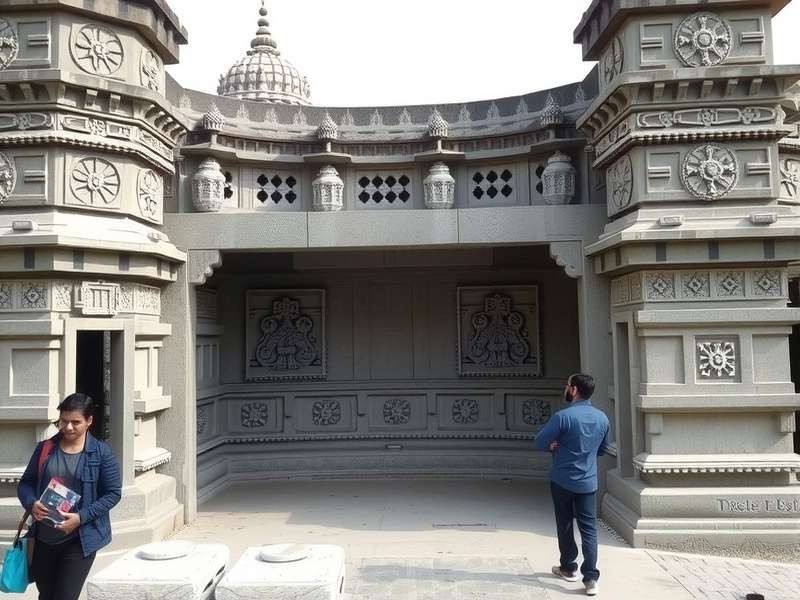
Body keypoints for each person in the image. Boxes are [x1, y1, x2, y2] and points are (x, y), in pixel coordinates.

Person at [17, 393, 122, 600]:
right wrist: (32, 503)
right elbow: (26, 483)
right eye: (63, 421)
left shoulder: (102, 454)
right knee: (46, 595)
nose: (68, 427)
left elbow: (113, 494)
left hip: (80, 540)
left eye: (76, 422)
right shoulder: (45, 448)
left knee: (65, 596)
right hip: (44, 539)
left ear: (89, 421)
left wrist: (80, 518)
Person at [534, 373, 610, 597]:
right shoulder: (602, 418)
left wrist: (555, 447)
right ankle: (591, 578)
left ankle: (568, 567)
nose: (566, 388)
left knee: (565, 524)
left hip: (562, 480)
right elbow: (604, 449)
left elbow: (539, 442)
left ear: (574, 390)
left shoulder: (562, 417)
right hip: (588, 482)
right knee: (589, 529)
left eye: (567, 385)